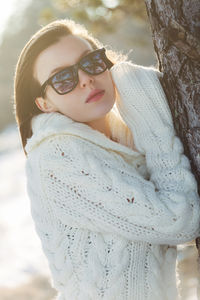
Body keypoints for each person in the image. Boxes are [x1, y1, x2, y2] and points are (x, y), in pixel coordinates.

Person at [14, 19, 200, 300]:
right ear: (45, 104)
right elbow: (181, 222)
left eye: (90, 62)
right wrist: (150, 114)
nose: (86, 79)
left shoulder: (120, 140)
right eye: (63, 79)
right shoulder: (57, 157)